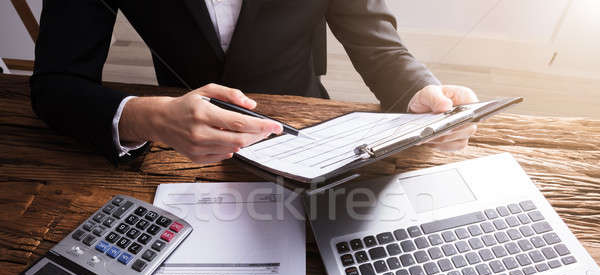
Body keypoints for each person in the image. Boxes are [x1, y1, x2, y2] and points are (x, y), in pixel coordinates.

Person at [31, 0, 478, 165]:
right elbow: (56, 83)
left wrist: (418, 91)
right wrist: (148, 118)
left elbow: (375, 42)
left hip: (306, 131)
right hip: (180, 150)